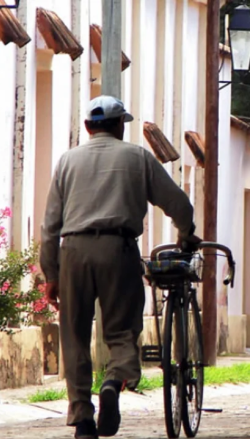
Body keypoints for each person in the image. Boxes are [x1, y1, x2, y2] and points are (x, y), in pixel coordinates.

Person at [40, 95, 200, 439]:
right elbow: (178, 204)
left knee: (75, 335)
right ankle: (113, 381)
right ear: (119, 126)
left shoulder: (67, 161)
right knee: (122, 332)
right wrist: (187, 234)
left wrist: (51, 275)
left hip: (74, 251)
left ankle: (82, 419)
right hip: (118, 249)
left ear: (87, 127)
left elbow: (50, 224)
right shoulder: (138, 157)